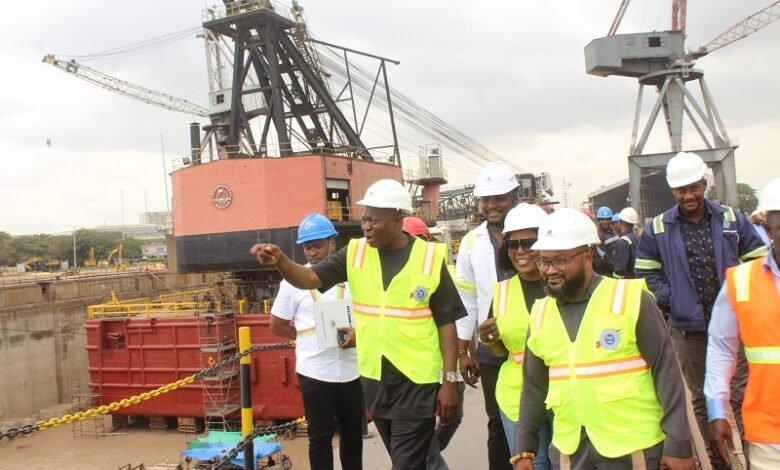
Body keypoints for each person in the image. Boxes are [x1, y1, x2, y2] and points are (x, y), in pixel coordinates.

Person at [251, 179, 464, 470]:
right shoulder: (355, 253)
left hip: (417, 383)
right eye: (364, 219)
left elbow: (446, 322)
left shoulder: (428, 258)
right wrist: (281, 261)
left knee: (406, 464)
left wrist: (449, 380)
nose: (365, 226)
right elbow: (309, 279)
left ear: (396, 219)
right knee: (407, 460)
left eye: (373, 220)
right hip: (376, 382)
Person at [514, 208, 695, 470]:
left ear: (587, 256)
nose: (550, 270)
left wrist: (678, 444)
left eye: (560, 261)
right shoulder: (540, 313)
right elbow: (533, 387)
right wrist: (524, 449)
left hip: (634, 449)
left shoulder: (631, 299)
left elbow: (666, 371)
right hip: (571, 452)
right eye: (544, 261)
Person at [635, 151, 767, 469]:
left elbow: (759, 260)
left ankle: (752, 456)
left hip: (734, 325)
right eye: (681, 190)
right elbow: (645, 272)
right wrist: (672, 298)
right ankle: (717, 459)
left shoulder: (732, 219)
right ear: (673, 191)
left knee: (740, 392)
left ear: (703, 184)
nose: (688, 195)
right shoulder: (658, 228)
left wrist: (745, 298)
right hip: (688, 328)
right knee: (701, 396)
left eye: (693, 188)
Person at [269, 214, 362, 470]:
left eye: (317, 245)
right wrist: (305, 338)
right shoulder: (292, 282)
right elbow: (277, 325)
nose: (312, 252)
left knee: (353, 435)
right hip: (315, 373)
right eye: (307, 247)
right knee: (319, 438)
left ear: (333, 243)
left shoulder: (353, 277)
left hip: (352, 370)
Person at [705, 177, 780, 470]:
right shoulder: (741, 282)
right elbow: (722, 346)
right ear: (767, 226)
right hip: (769, 437)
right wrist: (716, 409)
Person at [454, 161, 519, 470]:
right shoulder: (471, 243)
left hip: (536, 344)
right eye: (486, 199)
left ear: (514, 196)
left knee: (546, 416)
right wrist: (464, 350)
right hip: (492, 349)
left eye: (500, 198)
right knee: (497, 421)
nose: (492, 205)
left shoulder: (532, 232)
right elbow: (466, 301)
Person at [477, 203, 551, 470]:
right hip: (517, 396)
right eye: (512, 245)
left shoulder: (564, 284)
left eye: (529, 242)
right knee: (536, 464)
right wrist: (489, 338)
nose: (520, 251)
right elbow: (501, 351)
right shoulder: (503, 292)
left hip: (563, 393)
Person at [403, 215, 466, 470]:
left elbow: (463, 316)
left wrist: (465, 353)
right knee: (422, 434)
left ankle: (417, 455)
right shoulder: (398, 279)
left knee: (454, 417)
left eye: (419, 240)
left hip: (450, 366)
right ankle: (423, 457)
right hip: (418, 370)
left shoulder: (446, 271)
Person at [612, 207, 640, 279]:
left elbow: (620, 270)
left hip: (630, 282)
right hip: (639, 279)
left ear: (620, 222)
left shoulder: (622, 241)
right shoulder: (637, 238)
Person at [594, 206, 618, 276]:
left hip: (618, 265)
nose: (605, 222)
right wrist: (615, 268)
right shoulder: (598, 235)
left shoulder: (613, 230)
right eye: (602, 219)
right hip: (609, 270)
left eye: (607, 219)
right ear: (598, 220)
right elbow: (604, 257)